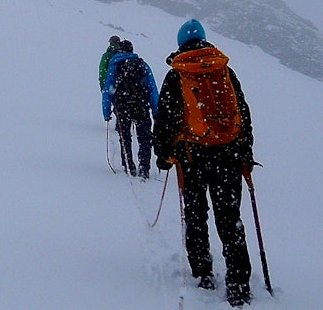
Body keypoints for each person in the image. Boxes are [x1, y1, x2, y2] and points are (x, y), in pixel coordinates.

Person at [154, 19, 255, 307]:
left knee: (196, 215)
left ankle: (203, 272)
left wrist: (163, 154)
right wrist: (245, 152)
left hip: (193, 157)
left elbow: (165, 119)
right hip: (228, 155)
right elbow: (243, 113)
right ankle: (239, 284)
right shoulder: (223, 70)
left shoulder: (178, 74)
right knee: (230, 218)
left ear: (181, 43)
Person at [102, 39, 159, 179]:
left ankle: (128, 165)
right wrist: (156, 110)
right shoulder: (142, 64)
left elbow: (108, 89)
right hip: (141, 105)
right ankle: (144, 167)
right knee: (144, 138)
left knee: (125, 137)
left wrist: (107, 111)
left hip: (122, 106)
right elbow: (152, 88)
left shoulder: (115, 66)